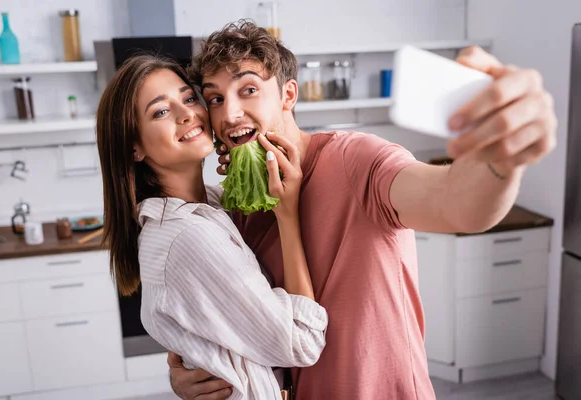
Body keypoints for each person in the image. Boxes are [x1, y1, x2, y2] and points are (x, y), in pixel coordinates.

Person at [168, 21, 557, 400]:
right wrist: (189, 373)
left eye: (248, 89)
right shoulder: (239, 207)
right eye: (215, 98)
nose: (230, 114)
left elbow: (458, 205)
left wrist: (502, 157)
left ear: (288, 95)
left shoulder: (357, 160)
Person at [95, 54, 329, 400]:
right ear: (134, 148)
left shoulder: (210, 207)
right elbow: (302, 343)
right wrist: (288, 218)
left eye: (189, 98)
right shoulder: (189, 237)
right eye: (160, 111)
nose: (187, 113)